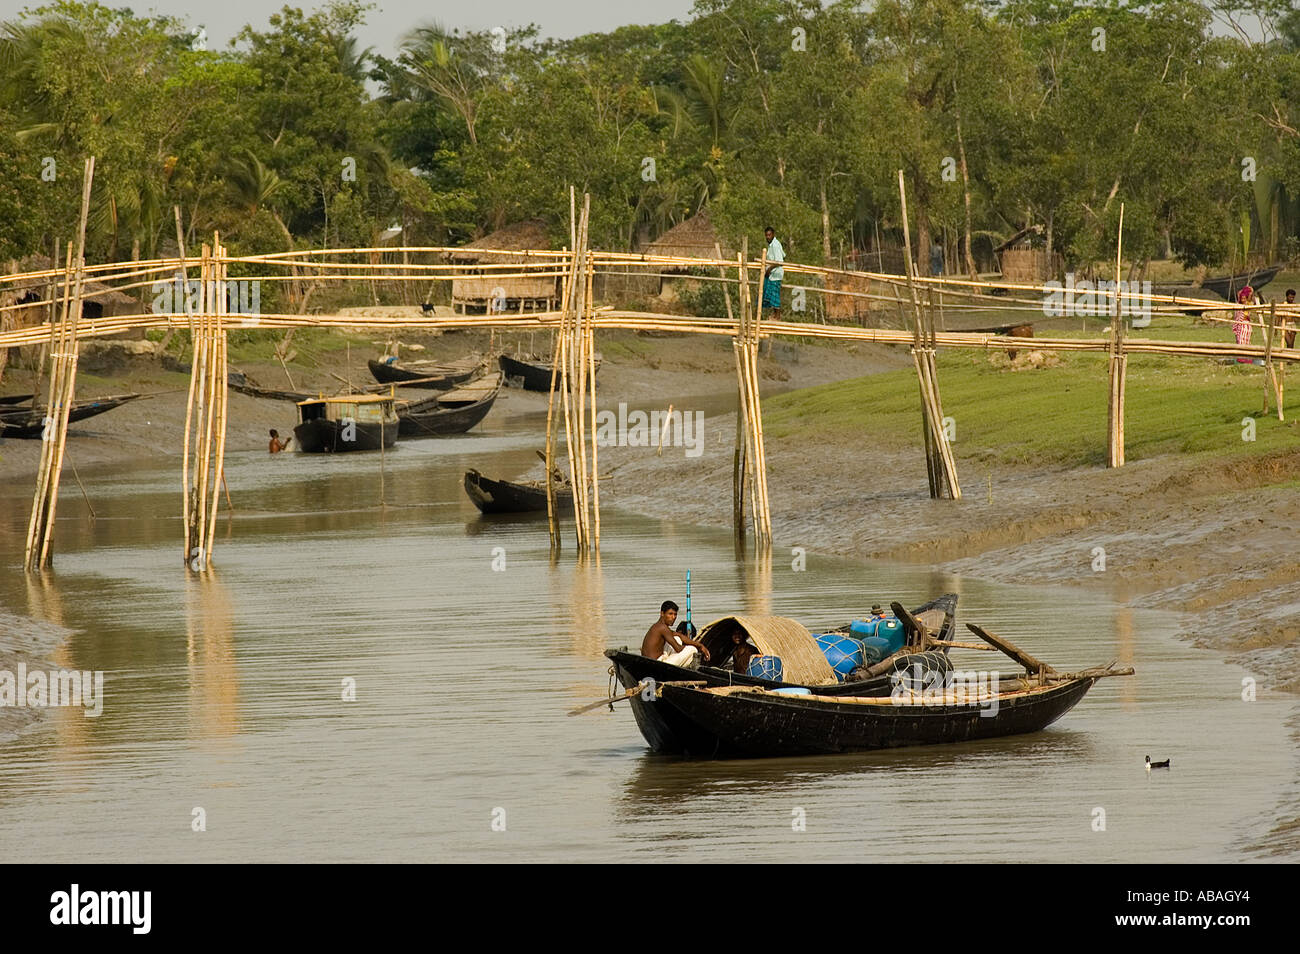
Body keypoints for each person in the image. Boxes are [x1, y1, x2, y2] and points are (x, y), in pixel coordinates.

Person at [641, 600, 710, 668]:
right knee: (692, 649)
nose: (673, 617)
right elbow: (678, 648)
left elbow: (679, 635)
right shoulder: (663, 628)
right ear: (662, 613)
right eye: (670, 614)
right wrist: (693, 647)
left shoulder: (658, 626)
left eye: (675, 614)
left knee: (677, 639)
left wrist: (700, 645)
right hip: (656, 665)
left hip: (652, 662)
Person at [762, 226, 784, 320]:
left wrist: (769, 269)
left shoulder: (775, 245)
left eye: (769, 235)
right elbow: (783, 255)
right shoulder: (772, 245)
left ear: (773, 235)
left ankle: (777, 316)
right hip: (772, 274)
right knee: (770, 294)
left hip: (775, 273)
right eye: (766, 235)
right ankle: (774, 315)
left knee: (775, 294)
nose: (768, 237)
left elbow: (779, 260)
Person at [1232, 286, 1254, 351]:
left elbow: (1251, 293)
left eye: (1244, 298)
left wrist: (1250, 290)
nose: (1243, 300)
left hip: (1246, 325)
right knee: (1240, 341)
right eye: (1242, 299)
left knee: (1246, 341)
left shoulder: (1249, 304)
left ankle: (1246, 357)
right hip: (1240, 325)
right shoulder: (1238, 306)